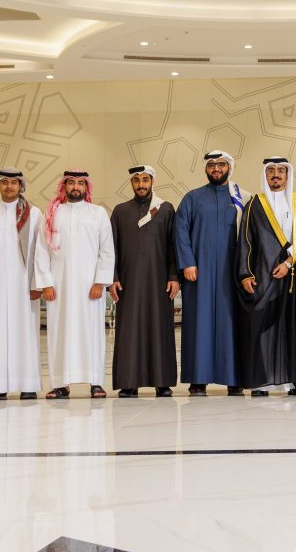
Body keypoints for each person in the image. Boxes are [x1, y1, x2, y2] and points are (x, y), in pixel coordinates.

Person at [237, 157, 296, 396]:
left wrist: (287, 262)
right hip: (264, 277)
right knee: (262, 329)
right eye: (271, 170)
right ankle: (262, 383)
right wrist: (245, 273)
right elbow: (245, 240)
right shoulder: (255, 204)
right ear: (265, 175)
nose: (276, 174)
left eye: (281, 170)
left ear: (287, 174)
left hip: (295, 278)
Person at [174, 150, 249, 396]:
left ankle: (234, 378)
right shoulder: (192, 198)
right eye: (212, 165)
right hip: (199, 272)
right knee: (199, 323)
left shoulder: (243, 198)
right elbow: (180, 230)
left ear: (230, 167)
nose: (216, 169)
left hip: (232, 273)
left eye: (221, 164)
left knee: (232, 324)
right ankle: (198, 378)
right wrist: (187, 262)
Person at [35, 170, 115, 399]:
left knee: (92, 333)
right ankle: (60, 384)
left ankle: (96, 382)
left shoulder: (98, 213)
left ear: (86, 187)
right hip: (58, 287)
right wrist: (46, 283)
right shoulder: (52, 213)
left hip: (90, 288)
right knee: (59, 334)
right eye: (71, 183)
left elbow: (106, 250)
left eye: (81, 183)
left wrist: (100, 282)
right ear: (64, 186)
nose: (76, 187)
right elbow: (42, 250)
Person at [0, 168, 43, 400]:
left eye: (14, 183)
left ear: (21, 186)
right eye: (4, 182)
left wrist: (37, 283)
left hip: (25, 286)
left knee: (26, 333)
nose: (9, 187)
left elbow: (40, 252)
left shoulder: (34, 214)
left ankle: (28, 385)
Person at [109, 165, 179, 398]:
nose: (141, 185)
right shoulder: (120, 211)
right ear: (131, 183)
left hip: (159, 282)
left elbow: (173, 246)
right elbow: (111, 249)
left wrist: (173, 276)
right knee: (129, 331)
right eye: (136, 180)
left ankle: (162, 382)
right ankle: (129, 383)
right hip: (128, 283)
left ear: (152, 181)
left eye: (145, 180)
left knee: (160, 329)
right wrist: (113, 278)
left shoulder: (166, 209)